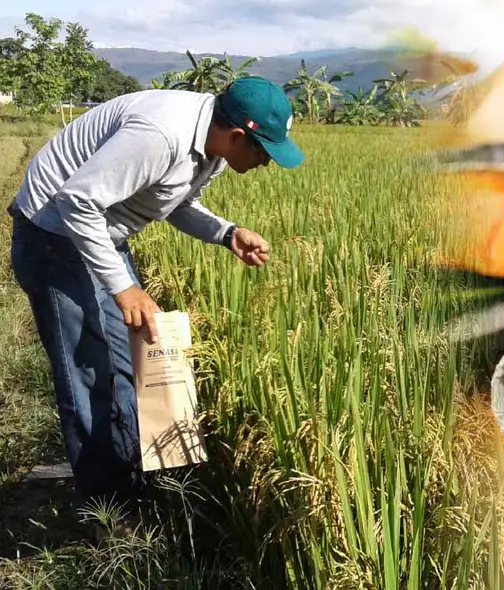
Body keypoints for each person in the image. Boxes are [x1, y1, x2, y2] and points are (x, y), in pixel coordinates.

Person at [6, 76, 304, 522]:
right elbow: (76, 202)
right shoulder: (160, 135)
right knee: (89, 370)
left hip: (101, 231)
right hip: (55, 235)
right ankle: (108, 513)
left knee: (131, 361)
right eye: (263, 152)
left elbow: (176, 202)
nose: (265, 163)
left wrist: (227, 233)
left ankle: (129, 481)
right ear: (238, 135)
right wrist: (123, 287)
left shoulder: (212, 147)